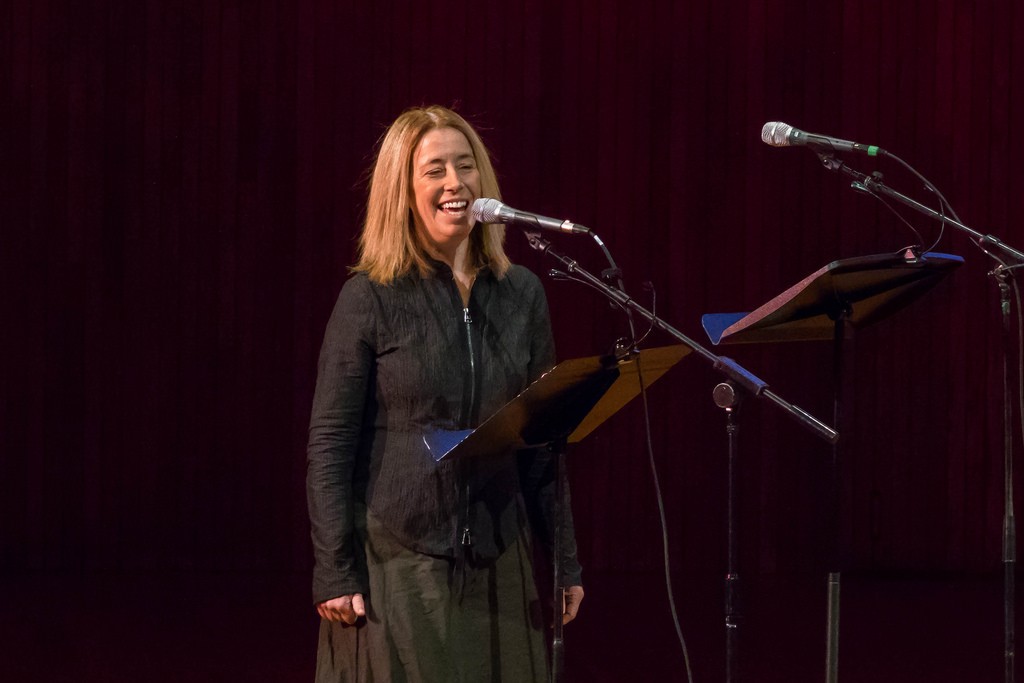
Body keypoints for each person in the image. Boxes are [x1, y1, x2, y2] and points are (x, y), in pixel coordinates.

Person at [306, 105, 584, 682]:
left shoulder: (522, 293)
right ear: (402, 192)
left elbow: (541, 444)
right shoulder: (370, 298)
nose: (455, 182)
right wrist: (335, 570)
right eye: (435, 170)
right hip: (400, 563)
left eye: (466, 166)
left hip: (499, 560)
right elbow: (330, 445)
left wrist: (564, 560)